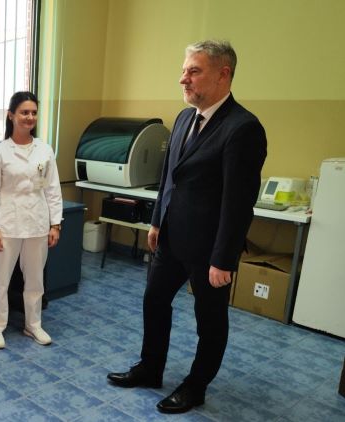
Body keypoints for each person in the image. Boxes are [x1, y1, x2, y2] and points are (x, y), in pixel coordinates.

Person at [106, 40, 267, 413]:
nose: (183, 79)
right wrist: (156, 221)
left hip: (209, 250)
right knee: (154, 300)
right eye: (184, 70)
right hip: (171, 238)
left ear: (223, 74)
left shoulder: (242, 128)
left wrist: (224, 259)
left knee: (209, 321)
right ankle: (151, 367)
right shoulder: (183, 118)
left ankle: (196, 386)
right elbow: (168, 176)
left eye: (194, 71)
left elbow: (238, 202)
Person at [0, 91, 63, 349]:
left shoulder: (44, 150)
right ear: (11, 116)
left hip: (37, 222)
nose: (29, 117)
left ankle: (33, 324)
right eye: (24, 112)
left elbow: (52, 189)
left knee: (35, 280)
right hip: (7, 223)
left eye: (33, 113)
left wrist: (55, 223)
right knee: (0, 279)